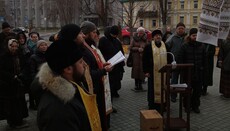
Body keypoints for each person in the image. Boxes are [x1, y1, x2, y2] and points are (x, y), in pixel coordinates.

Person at [36, 39, 102, 131]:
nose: (85, 65)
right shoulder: (58, 110)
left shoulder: (74, 85)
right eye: (80, 62)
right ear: (68, 69)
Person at [80, 21, 113, 131]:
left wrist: (102, 65)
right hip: (93, 89)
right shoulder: (83, 50)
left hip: (98, 87)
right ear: (86, 33)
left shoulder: (90, 47)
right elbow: (88, 74)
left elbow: (94, 65)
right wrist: (104, 70)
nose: (96, 34)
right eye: (93, 32)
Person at [0, 39, 29, 128]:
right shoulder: (3, 57)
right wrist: (12, 76)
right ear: (8, 46)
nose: (14, 48)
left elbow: (25, 66)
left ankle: (19, 119)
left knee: (20, 102)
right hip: (8, 84)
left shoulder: (20, 55)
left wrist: (21, 75)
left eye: (16, 46)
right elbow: (1, 70)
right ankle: (14, 122)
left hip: (19, 83)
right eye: (12, 46)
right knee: (12, 104)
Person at [177, 28, 206, 113]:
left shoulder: (202, 46)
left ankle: (195, 106)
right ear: (190, 36)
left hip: (198, 73)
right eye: (194, 35)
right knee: (187, 91)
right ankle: (187, 106)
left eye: (197, 35)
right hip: (187, 73)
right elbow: (180, 59)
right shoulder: (184, 46)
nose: (195, 37)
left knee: (197, 92)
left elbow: (205, 60)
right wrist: (182, 70)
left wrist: (204, 70)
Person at [142, 29, 167, 112]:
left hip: (164, 73)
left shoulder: (165, 46)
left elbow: (169, 58)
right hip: (152, 72)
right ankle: (152, 105)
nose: (158, 37)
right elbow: (144, 60)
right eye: (156, 35)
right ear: (153, 37)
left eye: (159, 35)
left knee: (163, 88)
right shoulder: (148, 47)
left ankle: (163, 105)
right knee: (152, 89)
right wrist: (146, 71)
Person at [99, 25, 125, 97]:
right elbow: (100, 53)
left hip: (117, 64)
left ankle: (115, 91)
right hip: (108, 64)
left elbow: (121, 51)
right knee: (111, 81)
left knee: (117, 79)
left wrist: (122, 60)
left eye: (116, 35)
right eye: (113, 35)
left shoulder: (116, 41)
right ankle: (111, 93)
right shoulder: (103, 40)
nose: (115, 37)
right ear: (110, 33)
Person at [165, 22, 186, 102]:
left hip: (184, 63)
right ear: (176, 29)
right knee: (174, 79)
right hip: (175, 62)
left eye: (182, 28)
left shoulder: (186, 37)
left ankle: (183, 95)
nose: (181, 30)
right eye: (179, 28)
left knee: (184, 80)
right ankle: (173, 95)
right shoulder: (172, 38)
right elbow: (166, 48)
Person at [29, 40, 48, 109]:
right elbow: (32, 71)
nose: (44, 47)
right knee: (40, 102)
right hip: (39, 81)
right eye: (41, 45)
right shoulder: (33, 57)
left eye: (45, 45)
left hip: (49, 81)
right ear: (38, 47)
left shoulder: (49, 55)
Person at [217, 32, 230, 98]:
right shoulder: (224, 42)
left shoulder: (224, 42)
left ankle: (225, 92)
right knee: (226, 80)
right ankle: (226, 92)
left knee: (225, 80)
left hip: (225, 64)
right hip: (226, 63)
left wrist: (220, 61)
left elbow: (220, 54)